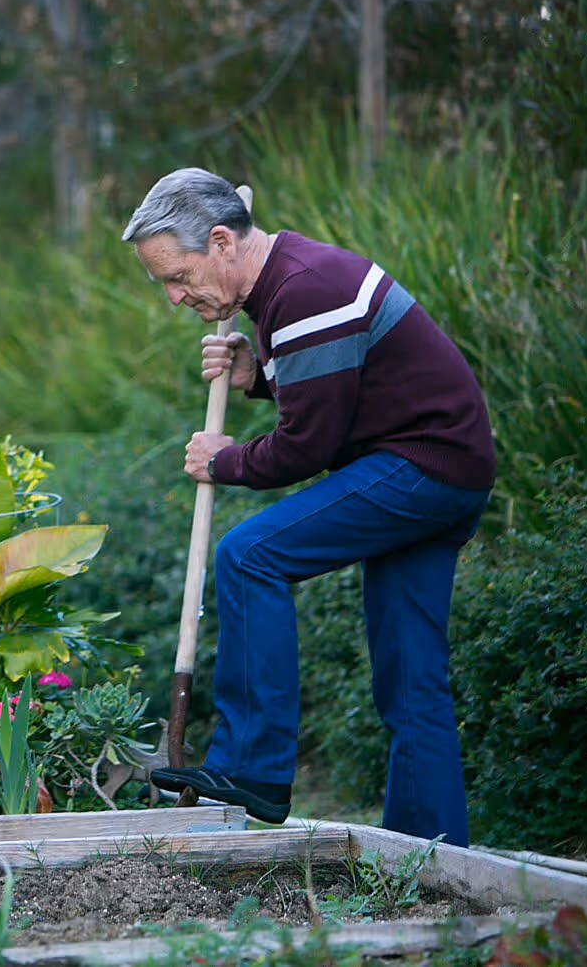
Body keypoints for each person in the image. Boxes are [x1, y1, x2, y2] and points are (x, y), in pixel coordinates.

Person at [120, 167, 495, 847]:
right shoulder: (292, 280)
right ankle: (429, 852)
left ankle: (253, 768)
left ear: (222, 242)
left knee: (249, 557)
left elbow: (305, 447)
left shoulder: (305, 290)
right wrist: (258, 376)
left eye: (178, 276)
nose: (175, 297)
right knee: (411, 684)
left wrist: (223, 458)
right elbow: (341, 385)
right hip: (444, 466)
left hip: (420, 468)